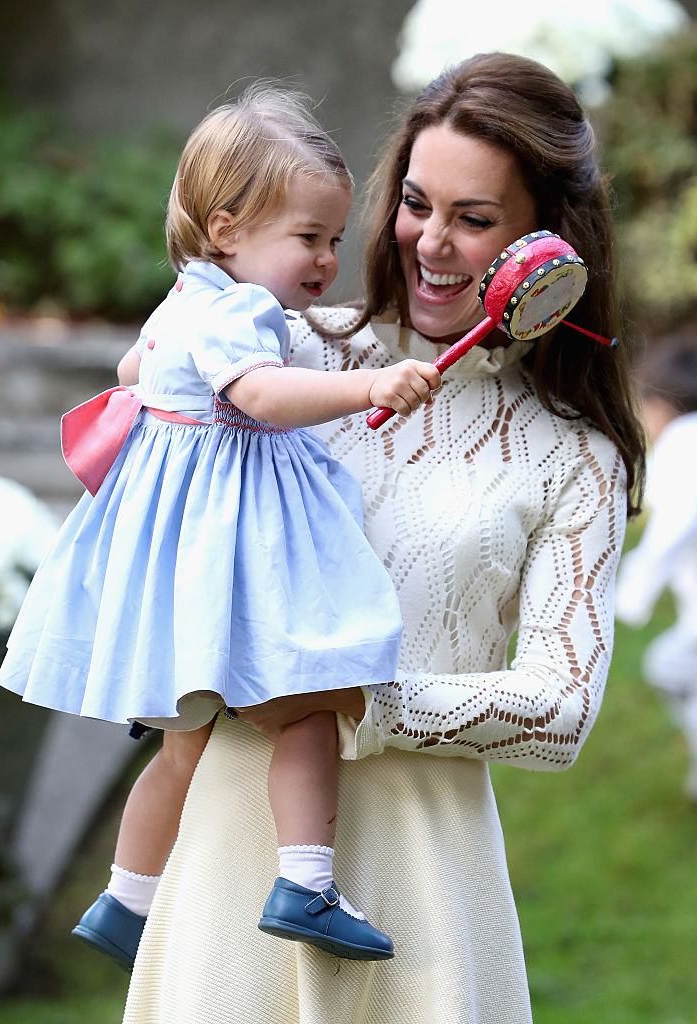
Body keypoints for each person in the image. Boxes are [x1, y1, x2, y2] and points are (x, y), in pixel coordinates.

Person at [122, 52, 646, 1024]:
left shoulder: (570, 456)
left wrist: (364, 697)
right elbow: (149, 452)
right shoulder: (280, 349)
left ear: (546, 240)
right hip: (231, 846)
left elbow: (559, 707)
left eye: (473, 218)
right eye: (414, 203)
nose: (430, 243)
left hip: (422, 872)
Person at [0, 84, 442, 969]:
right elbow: (262, 397)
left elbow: (133, 371)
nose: (323, 260)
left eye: (330, 239)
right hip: (229, 564)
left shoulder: (182, 303)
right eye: (306, 238)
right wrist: (366, 387)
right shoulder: (243, 312)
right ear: (228, 229)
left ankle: (126, 901)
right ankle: (305, 883)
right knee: (312, 711)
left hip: (177, 578)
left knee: (179, 749)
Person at [615, 334, 697, 859]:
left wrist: (630, 597)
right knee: (667, 667)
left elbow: (676, 527)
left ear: (659, 406)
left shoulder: (681, 449)